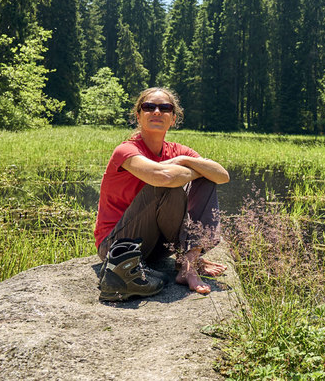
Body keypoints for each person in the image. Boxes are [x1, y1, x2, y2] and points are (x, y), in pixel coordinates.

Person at [94, 87, 230, 299]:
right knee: (167, 187)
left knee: (207, 178)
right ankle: (183, 260)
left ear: (173, 118)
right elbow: (163, 178)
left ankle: (189, 264)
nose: (157, 112)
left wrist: (183, 161)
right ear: (138, 116)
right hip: (119, 248)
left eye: (165, 108)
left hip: (158, 248)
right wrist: (192, 170)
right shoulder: (126, 150)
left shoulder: (178, 151)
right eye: (149, 107)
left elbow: (222, 176)